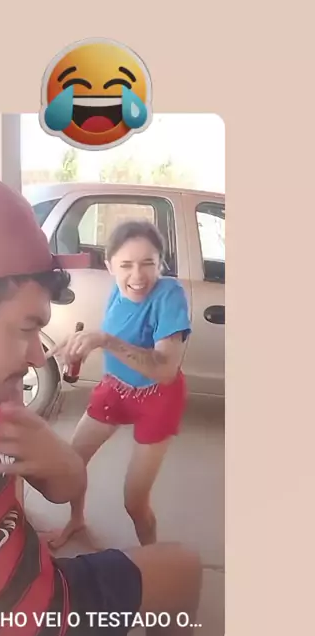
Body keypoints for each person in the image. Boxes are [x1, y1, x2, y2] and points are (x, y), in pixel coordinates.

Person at [0, 167, 201, 636]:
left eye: (148, 264)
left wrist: (59, 462)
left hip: (46, 585)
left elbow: (162, 370)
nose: (38, 356)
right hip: (22, 632)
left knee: (172, 554)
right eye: (26, 327)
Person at [47, 220, 191, 550]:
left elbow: (165, 369)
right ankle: (76, 520)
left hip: (158, 397)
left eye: (147, 263)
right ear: (110, 265)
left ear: (160, 263)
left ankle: (152, 557)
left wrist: (105, 341)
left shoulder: (169, 295)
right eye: (126, 265)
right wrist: (83, 341)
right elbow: (116, 332)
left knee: (134, 501)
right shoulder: (117, 290)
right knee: (73, 465)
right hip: (116, 388)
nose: (137, 276)